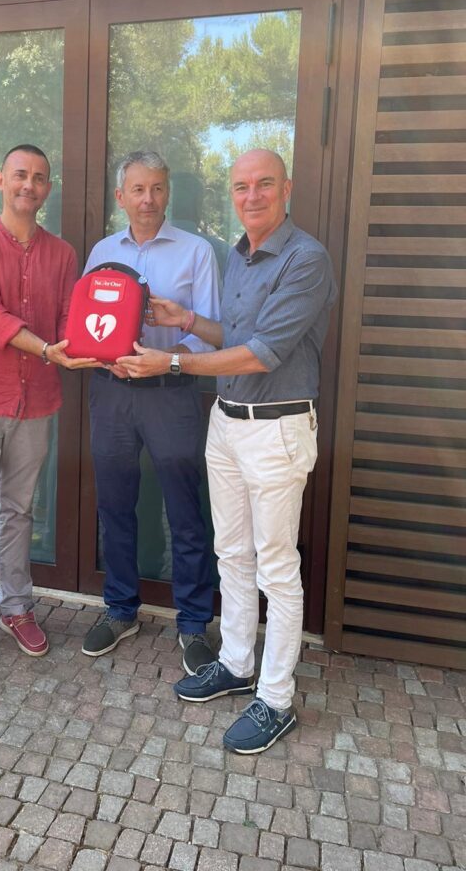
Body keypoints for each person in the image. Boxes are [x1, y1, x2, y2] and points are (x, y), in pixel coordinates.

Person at [117, 148, 337, 754]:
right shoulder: (238, 254)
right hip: (228, 423)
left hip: (276, 429)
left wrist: (173, 362)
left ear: (286, 189)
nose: (252, 196)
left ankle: (276, 698)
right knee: (231, 553)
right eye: (242, 186)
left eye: (264, 184)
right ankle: (238, 663)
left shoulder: (306, 259)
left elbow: (262, 353)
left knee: (277, 567)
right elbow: (234, 336)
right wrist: (186, 319)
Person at [0, 145, 97, 678]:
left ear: (47, 188)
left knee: (20, 511)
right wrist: (50, 349)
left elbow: (68, 317)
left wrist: (89, 343)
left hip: (38, 402)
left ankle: (16, 607)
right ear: (0, 179)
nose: (28, 185)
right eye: (20, 175)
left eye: (38, 178)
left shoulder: (63, 254)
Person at [81, 150, 221, 672]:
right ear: (121, 197)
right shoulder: (101, 252)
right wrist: (103, 356)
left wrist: (172, 353)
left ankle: (193, 623)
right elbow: (89, 321)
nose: (148, 199)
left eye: (157, 188)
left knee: (184, 510)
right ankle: (121, 610)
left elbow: (213, 333)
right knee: (116, 505)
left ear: (168, 194)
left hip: (171, 391)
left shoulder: (196, 251)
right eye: (138, 189)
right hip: (112, 392)